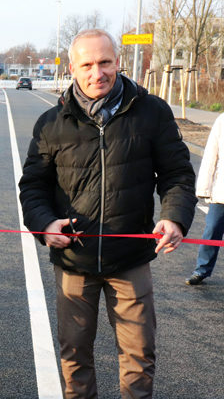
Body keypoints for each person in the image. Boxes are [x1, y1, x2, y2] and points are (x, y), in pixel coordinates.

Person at [19, 29, 196, 398]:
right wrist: (44, 223)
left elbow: (177, 174)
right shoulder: (52, 124)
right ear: (72, 68)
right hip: (74, 260)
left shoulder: (152, 112)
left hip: (130, 260)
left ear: (117, 62)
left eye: (104, 62)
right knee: (74, 356)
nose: (97, 72)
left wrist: (174, 216)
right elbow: (33, 186)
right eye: (87, 64)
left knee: (139, 356)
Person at [188, 113, 224, 285]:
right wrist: (204, 188)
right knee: (212, 229)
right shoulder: (222, 120)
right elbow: (211, 155)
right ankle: (201, 270)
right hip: (221, 192)